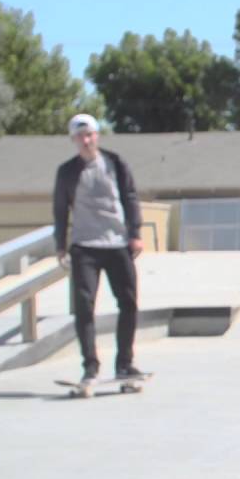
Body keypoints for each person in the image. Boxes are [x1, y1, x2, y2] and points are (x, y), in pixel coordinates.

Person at [52, 113, 146, 389]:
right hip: (84, 248)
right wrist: (60, 244)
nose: (86, 140)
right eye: (80, 136)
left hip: (117, 243)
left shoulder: (115, 163)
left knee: (128, 303)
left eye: (90, 134)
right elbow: (60, 209)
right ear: (73, 140)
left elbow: (130, 196)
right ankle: (90, 367)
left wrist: (135, 233)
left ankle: (125, 364)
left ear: (97, 136)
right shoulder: (67, 171)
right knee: (84, 308)